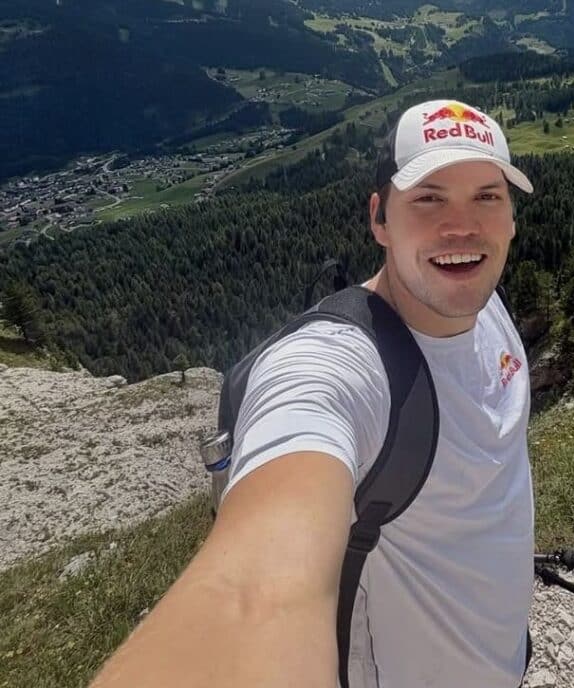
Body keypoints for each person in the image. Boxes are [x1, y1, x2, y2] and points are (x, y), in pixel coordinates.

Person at [89, 99, 537, 688]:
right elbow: (255, 595)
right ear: (380, 219)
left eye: (487, 196)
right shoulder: (336, 368)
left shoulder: (487, 305)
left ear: (511, 217)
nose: (463, 227)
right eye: (429, 198)